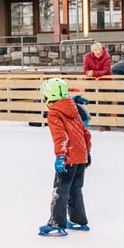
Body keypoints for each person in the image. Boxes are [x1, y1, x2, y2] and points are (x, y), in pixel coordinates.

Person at [40, 77, 91, 236]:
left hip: (68, 156)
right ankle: (78, 220)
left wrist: (60, 156)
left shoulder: (54, 112)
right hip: (81, 156)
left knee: (60, 190)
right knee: (76, 189)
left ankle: (57, 222)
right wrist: (87, 152)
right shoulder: (74, 108)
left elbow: (60, 136)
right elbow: (85, 133)